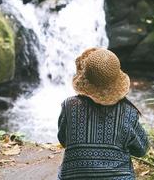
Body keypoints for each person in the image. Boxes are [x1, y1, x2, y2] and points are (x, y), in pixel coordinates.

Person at [57, 48, 149, 180]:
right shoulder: (128, 112)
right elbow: (141, 150)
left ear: (85, 77)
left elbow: (63, 139)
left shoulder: (69, 105)